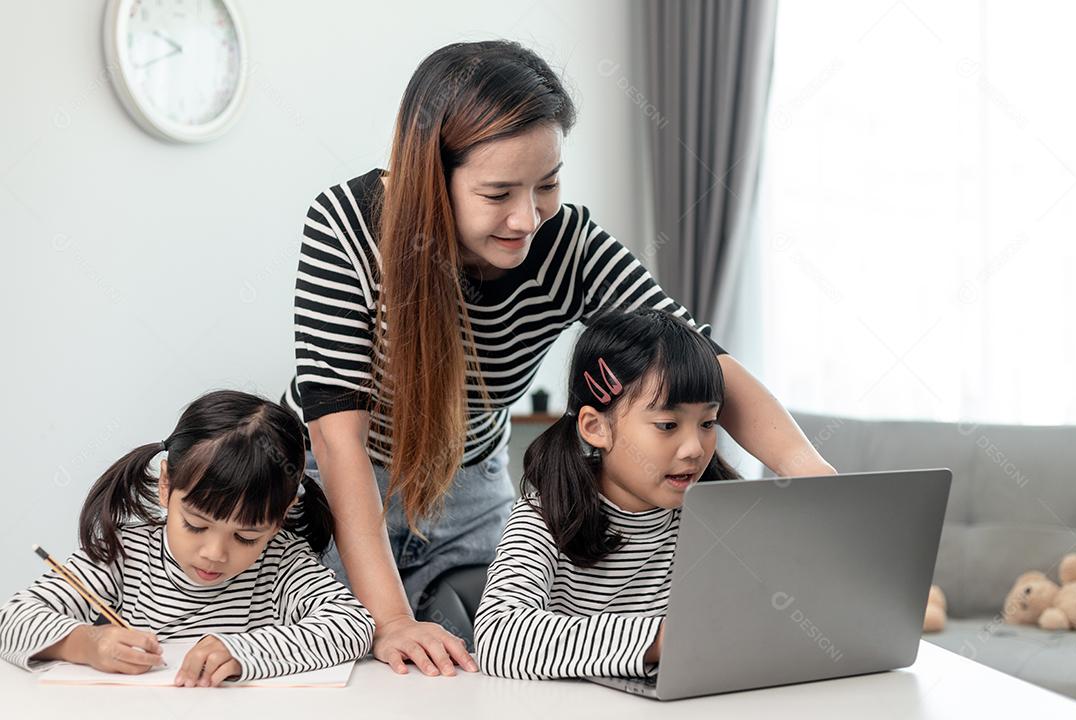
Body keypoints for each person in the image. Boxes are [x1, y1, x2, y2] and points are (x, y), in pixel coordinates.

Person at [285, 39, 834, 676]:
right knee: (351, 676)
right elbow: (335, 438)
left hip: (471, 491)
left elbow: (704, 358)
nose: (528, 218)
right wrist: (391, 618)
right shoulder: (348, 223)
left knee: (481, 679)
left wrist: (812, 481)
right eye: (498, 194)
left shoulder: (566, 242)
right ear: (432, 176)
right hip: (349, 489)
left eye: (546, 184)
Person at [0, 390, 374, 687]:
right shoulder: (125, 554)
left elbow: (353, 625)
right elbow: (12, 620)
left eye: (246, 536)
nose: (214, 553)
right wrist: (86, 644)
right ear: (166, 485)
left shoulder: (283, 562)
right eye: (195, 525)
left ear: (282, 515)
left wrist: (244, 651)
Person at [473, 308, 737, 678]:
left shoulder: (720, 515)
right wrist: (660, 640)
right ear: (596, 427)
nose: (694, 448)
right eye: (667, 425)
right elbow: (499, 638)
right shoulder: (543, 518)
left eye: (708, 423)